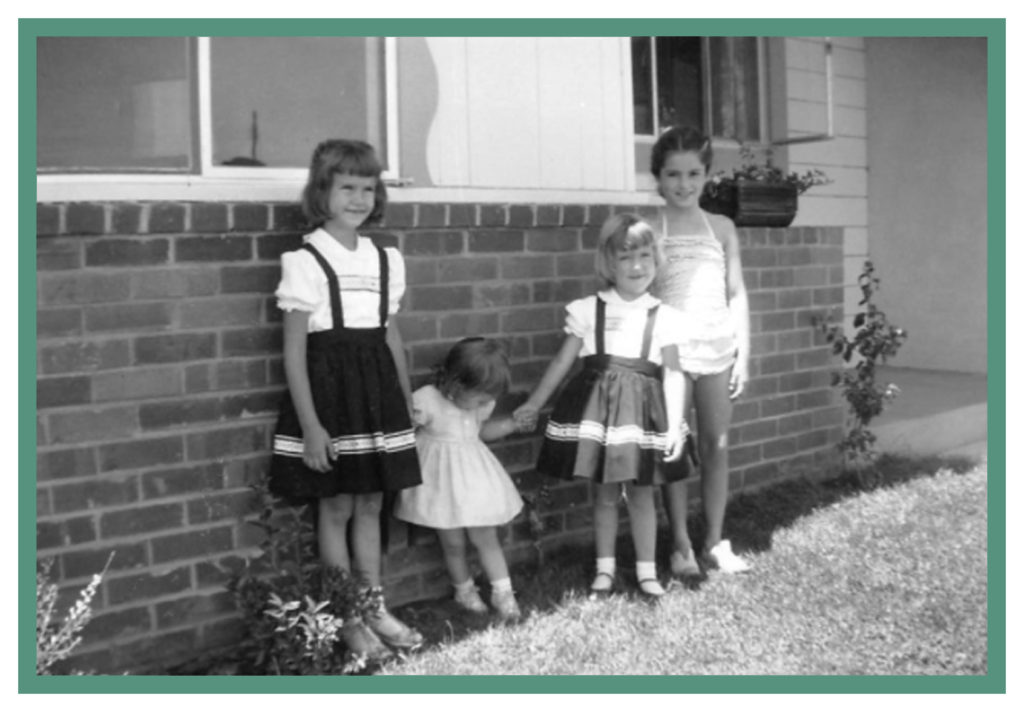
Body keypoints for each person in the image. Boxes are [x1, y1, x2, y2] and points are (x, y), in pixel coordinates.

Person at [268, 138, 424, 655]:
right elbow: (294, 350)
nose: (358, 198)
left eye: (367, 187)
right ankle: (346, 616)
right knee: (335, 506)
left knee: (372, 502)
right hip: (331, 397)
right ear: (323, 192)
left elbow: (391, 336)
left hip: (377, 395)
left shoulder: (385, 258)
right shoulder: (306, 260)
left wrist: (403, 401)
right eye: (346, 188)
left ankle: (373, 606)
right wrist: (312, 426)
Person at [514, 213, 690, 600]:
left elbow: (675, 373)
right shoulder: (587, 309)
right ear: (608, 263)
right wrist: (534, 403)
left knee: (642, 493)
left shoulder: (665, 316)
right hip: (600, 411)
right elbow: (563, 362)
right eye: (625, 258)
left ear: (657, 260)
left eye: (644, 255)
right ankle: (605, 568)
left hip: (642, 414)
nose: (636, 266)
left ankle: (646, 571)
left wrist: (675, 423)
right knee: (606, 493)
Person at [649, 125, 752, 576]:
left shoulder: (723, 228)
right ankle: (681, 545)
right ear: (658, 177)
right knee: (674, 450)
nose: (684, 184)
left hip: (717, 348)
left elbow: (737, 294)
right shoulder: (652, 228)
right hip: (670, 354)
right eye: (673, 175)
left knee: (717, 444)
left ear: (707, 175)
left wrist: (742, 354)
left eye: (693, 173)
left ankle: (714, 540)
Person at [395, 338, 529, 621]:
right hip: (440, 483)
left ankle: (503, 592)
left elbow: (479, 433)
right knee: (452, 541)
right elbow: (405, 433)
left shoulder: (480, 405)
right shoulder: (427, 400)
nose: (486, 402)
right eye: (480, 397)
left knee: (485, 535)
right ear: (456, 384)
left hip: (474, 480)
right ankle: (464, 589)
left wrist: (510, 425)